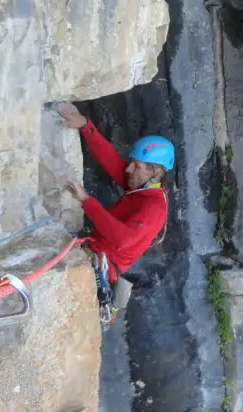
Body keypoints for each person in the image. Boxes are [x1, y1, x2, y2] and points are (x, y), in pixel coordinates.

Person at [57, 103, 173, 325]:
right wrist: (85, 126)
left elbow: (122, 240)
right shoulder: (142, 188)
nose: (128, 169)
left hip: (100, 270)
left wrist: (86, 201)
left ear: (154, 172)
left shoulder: (154, 207)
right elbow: (112, 161)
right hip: (94, 254)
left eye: (136, 166)